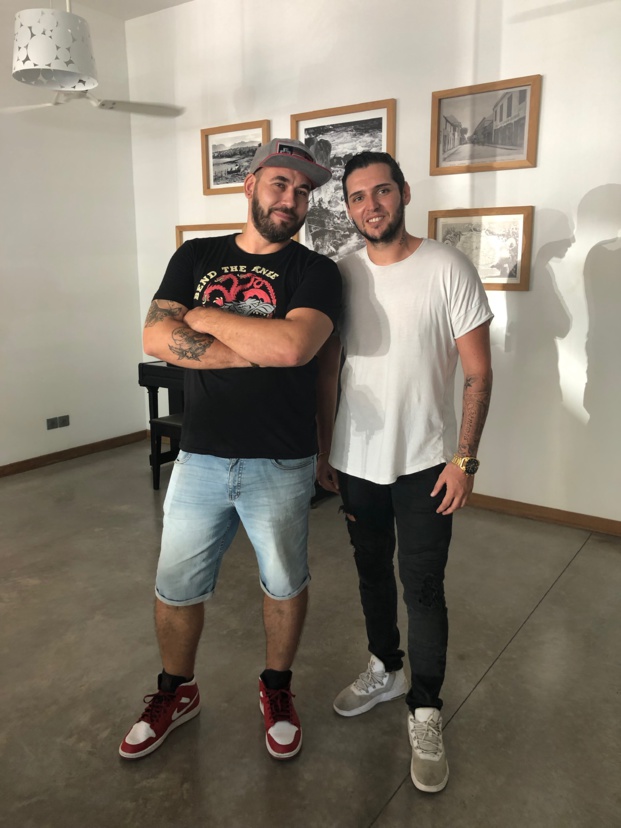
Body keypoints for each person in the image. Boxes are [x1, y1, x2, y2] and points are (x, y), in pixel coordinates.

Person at [120, 138, 341, 762]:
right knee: (176, 586)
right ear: (250, 184)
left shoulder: (317, 272)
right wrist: (260, 347)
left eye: (303, 191)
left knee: (284, 582)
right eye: (280, 183)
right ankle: (176, 690)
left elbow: (296, 350)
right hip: (201, 456)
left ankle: (276, 688)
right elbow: (156, 336)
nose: (291, 199)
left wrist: (206, 317)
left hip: (283, 458)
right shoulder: (196, 255)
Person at [316, 151, 493, 793]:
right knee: (370, 573)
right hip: (356, 460)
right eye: (358, 196)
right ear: (349, 207)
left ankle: (425, 707)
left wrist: (464, 459)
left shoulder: (448, 267)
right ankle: (385, 669)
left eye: (382, 191)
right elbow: (329, 367)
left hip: (426, 464)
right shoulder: (341, 274)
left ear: (405, 193)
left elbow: (478, 372)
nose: (371, 206)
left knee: (422, 587)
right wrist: (324, 449)